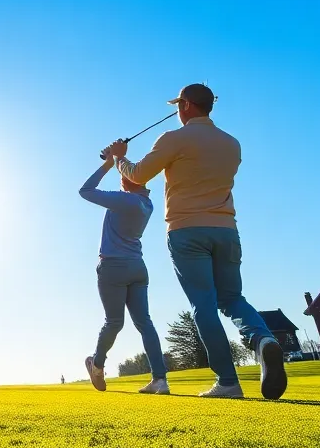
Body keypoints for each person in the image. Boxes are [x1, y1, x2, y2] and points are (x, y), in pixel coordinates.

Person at [104, 83, 287, 400]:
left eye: (178, 104)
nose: (176, 109)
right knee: (232, 298)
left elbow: (136, 176)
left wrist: (119, 158)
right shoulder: (232, 144)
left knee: (203, 305)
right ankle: (262, 339)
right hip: (226, 230)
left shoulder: (174, 138)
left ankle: (228, 382)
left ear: (186, 105)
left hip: (187, 231)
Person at [79, 156, 169, 394]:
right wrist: (120, 158)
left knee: (114, 322)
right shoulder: (146, 203)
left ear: (131, 181)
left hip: (113, 267)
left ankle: (96, 365)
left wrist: (110, 163)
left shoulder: (124, 200)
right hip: (138, 267)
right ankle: (160, 380)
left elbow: (85, 190)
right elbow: (132, 178)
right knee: (145, 323)